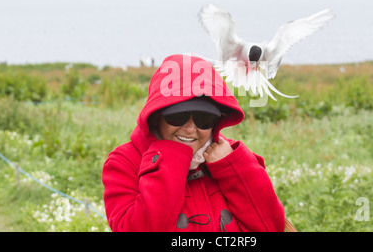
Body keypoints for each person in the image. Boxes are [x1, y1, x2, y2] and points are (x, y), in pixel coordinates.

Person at [102, 54, 287, 232]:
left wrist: (231, 167)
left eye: (204, 119)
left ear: (217, 121)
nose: (190, 129)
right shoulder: (125, 162)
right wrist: (169, 157)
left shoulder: (229, 158)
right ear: (156, 116)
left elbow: (270, 227)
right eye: (177, 116)